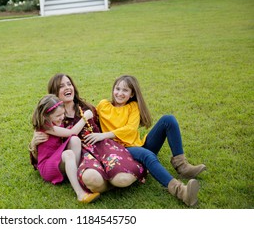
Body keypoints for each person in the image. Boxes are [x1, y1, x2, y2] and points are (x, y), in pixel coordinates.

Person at [84, 75, 206, 206]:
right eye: (117, 88)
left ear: (132, 94)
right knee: (147, 155)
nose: (119, 93)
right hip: (120, 151)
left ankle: (182, 166)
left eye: (125, 90)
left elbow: (130, 129)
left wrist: (105, 135)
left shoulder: (133, 107)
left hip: (137, 145)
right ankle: (182, 191)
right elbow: (90, 116)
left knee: (168, 120)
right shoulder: (103, 105)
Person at [29, 74, 146, 195]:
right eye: (61, 86)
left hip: (101, 145)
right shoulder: (53, 118)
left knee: (123, 179)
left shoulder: (86, 108)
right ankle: (105, 184)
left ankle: (113, 178)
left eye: (69, 84)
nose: (68, 88)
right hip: (81, 154)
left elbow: (108, 122)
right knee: (92, 179)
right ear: (54, 93)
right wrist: (33, 143)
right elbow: (46, 152)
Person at [31, 93, 100, 203]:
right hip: (47, 166)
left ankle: (76, 176)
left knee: (75, 140)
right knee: (69, 153)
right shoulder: (46, 126)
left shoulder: (56, 122)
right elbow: (72, 132)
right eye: (58, 116)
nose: (62, 117)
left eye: (63, 114)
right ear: (46, 116)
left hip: (56, 158)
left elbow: (71, 135)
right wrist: (85, 117)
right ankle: (80, 194)